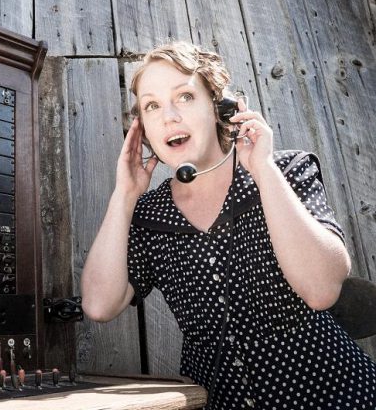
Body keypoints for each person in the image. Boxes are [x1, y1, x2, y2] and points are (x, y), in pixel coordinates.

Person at [81, 41, 376, 408]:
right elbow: (98, 305)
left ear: (219, 107)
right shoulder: (148, 215)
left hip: (335, 396)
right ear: (143, 128)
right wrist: (124, 196)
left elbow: (322, 290)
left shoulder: (285, 171)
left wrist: (263, 170)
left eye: (185, 97)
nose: (168, 115)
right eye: (152, 105)